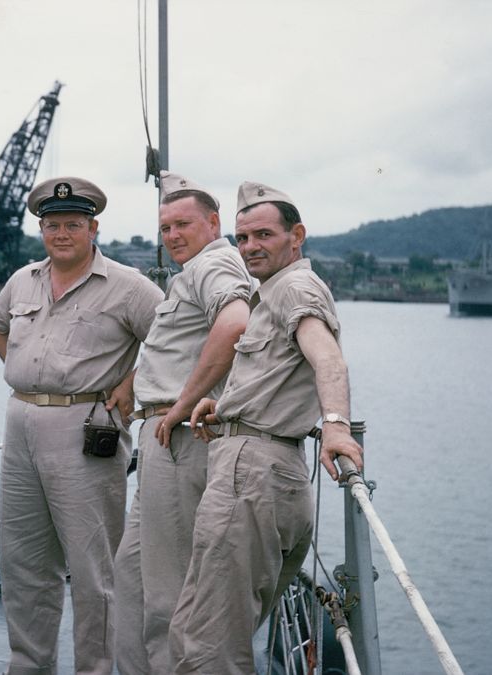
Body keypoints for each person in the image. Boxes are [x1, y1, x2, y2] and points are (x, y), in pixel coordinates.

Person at [170, 181, 365, 673]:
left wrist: (337, 426)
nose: (251, 247)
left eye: (263, 235)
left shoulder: (294, 288)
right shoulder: (272, 292)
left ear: (296, 235)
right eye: (243, 239)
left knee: (207, 641)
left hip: (251, 478)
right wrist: (229, 404)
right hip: (272, 472)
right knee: (217, 628)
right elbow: (282, 372)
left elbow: (328, 360)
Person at [0, 177, 163, 675]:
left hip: (87, 426)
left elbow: (175, 339)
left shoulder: (127, 286)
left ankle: (96, 669)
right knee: (23, 563)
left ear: (93, 228)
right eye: (52, 225)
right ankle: (29, 666)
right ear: (41, 228)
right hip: (20, 422)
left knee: (93, 570)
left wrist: (132, 384)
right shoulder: (24, 279)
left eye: (72, 225)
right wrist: (23, 371)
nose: (61, 233)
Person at [112, 173, 252, 674]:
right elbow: (181, 344)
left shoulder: (214, 262)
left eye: (183, 224)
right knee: (131, 576)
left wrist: (182, 402)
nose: (172, 235)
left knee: (168, 590)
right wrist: (137, 380)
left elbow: (235, 322)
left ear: (214, 223)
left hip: (179, 438)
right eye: (165, 227)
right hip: (160, 438)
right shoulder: (192, 271)